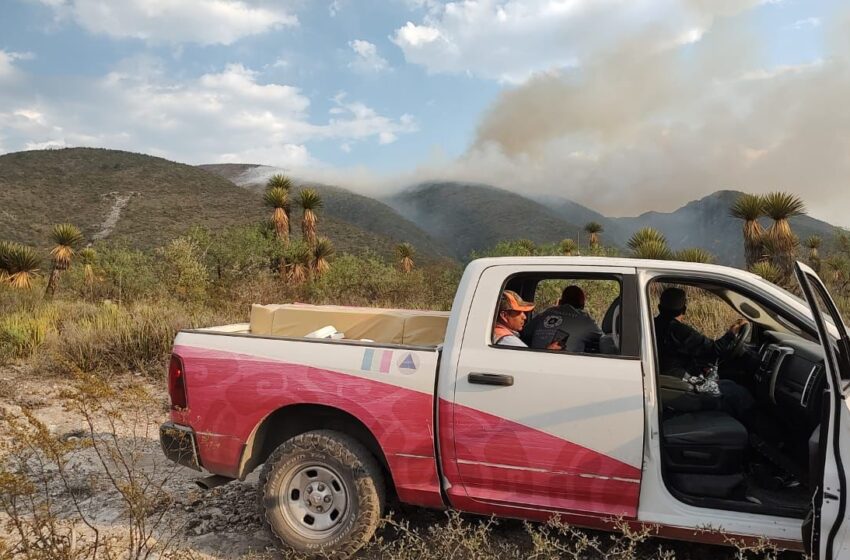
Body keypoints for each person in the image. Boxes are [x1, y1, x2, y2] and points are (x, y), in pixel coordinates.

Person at [654, 287, 754, 421]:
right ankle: (753, 432)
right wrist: (731, 333)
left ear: (659, 307)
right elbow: (714, 351)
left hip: (671, 379)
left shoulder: (653, 325)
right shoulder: (679, 331)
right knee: (738, 393)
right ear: (684, 309)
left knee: (729, 384)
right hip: (679, 385)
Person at [526, 285, 604, 353]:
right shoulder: (585, 319)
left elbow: (525, 333)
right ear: (582, 305)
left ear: (560, 302)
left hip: (533, 361)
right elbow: (602, 339)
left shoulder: (545, 313)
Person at [493, 290, 562, 350]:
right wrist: (548, 352)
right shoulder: (507, 340)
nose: (524, 317)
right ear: (504, 315)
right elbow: (531, 363)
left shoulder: (493, 331)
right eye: (519, 312)